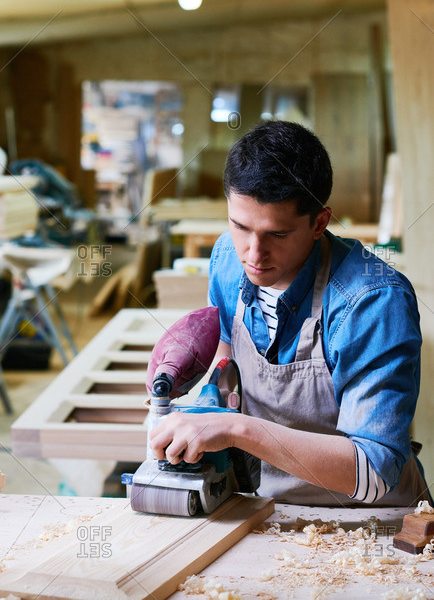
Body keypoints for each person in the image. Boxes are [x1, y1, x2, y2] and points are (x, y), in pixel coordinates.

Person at [150, 120, 431, 507]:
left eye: (276, 235)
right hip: (272, 507)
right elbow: (227, 357)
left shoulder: (373, 302)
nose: (253, 253)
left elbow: (373, 472)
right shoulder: (227, 260)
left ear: (319, 223)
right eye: (240, 226)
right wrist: (204, 405)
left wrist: (235, 428)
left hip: (371, 525)